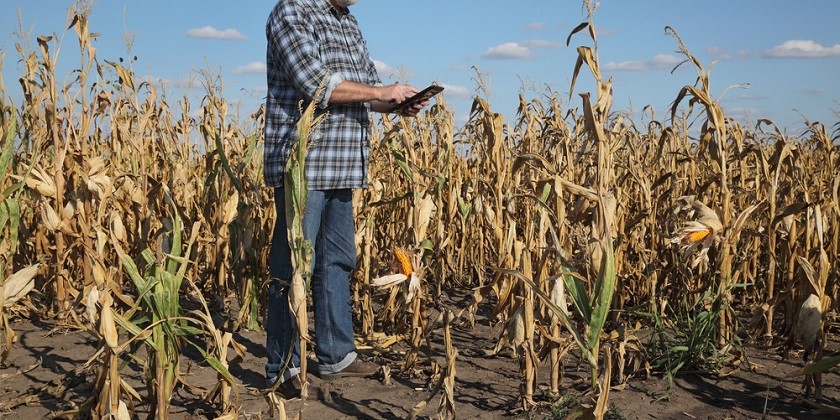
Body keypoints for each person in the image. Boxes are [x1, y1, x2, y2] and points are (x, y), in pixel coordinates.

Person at [262, 0, 429, 398]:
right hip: (305, 163)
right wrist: (380, 91)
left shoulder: (347, 22)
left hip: (344, 163)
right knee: (293, 266)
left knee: (337, 260)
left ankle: (336, 355)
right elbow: (315, 82)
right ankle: (282, 367)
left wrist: (395, 104)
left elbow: (365, 92)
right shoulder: (291, 11)